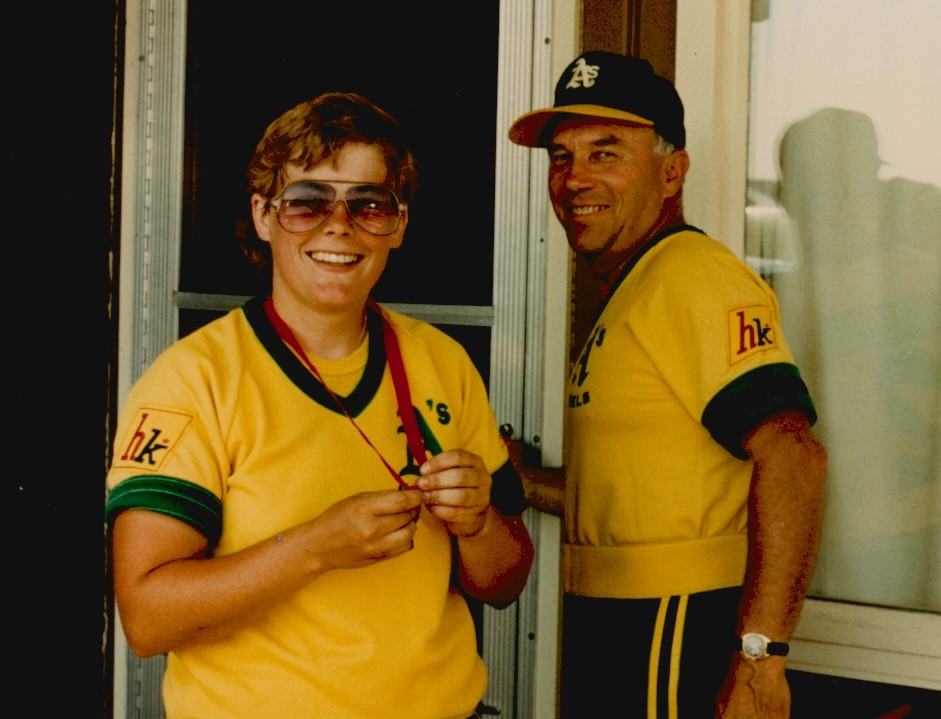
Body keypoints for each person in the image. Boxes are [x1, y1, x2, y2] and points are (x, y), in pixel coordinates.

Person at [105, 91, 534, 719]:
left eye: (369, 204)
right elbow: (146, 619)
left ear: (400, 223)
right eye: (307, 203)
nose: (339, 226)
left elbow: (505, 582)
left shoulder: (443, 364)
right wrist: (312, 549)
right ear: (262, 215)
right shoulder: (195, 381)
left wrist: (478, 524)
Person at [505, 51, 828, 718]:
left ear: (671, 169)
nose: (573, 179)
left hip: (674, 624)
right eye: (560, 158)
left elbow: (792, 454)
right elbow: (642, 488)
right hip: (623, 620)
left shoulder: (691, 275)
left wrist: (760, 659)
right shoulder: (637, 286)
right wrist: (515, 482)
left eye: (604, 152)